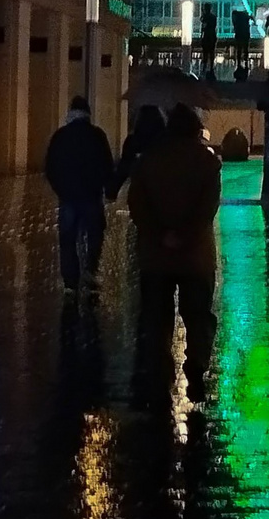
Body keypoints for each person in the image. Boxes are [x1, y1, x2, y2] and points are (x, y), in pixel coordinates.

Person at [128, 104, 222, 406]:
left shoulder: (149, 161)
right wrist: (184, 235)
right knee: (198, 317)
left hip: (156, 256)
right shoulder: (207, 164)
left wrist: (161, 234)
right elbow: (207, 209)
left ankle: (159, 372)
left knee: (156, 317)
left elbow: (137, 206)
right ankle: (196, 366)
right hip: (196, 257)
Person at [45, 95, 115, 295]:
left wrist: (60, 189)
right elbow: (107, 164)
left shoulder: (60, 136)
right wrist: (104, 187)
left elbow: (50, 166)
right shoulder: (97, 135)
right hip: (91, 196)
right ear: (88, 114)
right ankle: (90, 273)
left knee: (67, 239)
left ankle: (70, 281)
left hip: (68, 196)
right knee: (94, 235)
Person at [110, 105, 166, 198]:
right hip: (162, 192)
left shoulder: (133, 141)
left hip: (140, 190)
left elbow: (124, 167)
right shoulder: (165, 141)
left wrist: (112, 190)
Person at [232, 9, 251, 77]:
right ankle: (245, 61)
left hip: (239, 34)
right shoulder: (245, 18)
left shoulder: (237, 20)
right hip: (245, 34)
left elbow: (235, 25)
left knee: (239, 49)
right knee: (245, 48)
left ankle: (240, 62)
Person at [200, 3, 217, 77]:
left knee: (205, 53)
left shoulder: (205, 17)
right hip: (212, 36)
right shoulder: (213, 17)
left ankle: (204, 67)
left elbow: (203, 25)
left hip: (207, 36)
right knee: (211, 52)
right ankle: (211, 67)